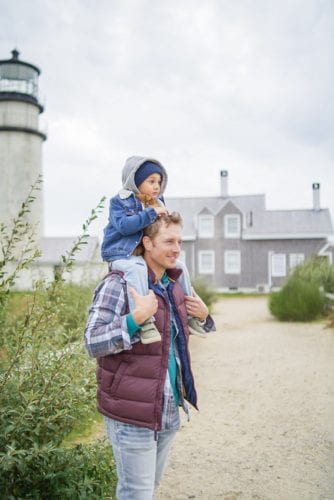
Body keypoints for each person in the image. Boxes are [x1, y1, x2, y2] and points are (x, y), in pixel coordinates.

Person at [85, 213, 215, 500]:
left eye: (179, 241)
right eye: (169, 241)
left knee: (148, 490)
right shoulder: (118, 284)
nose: (177, 248)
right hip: (131, 412)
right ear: (147, 243)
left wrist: (205, 317)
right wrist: (135, 319)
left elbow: (180, 338)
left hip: (167, 407)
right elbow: (92, 340)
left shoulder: (175, 284)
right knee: (137, 494)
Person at [101, 155, 206, 344]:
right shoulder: (120, 201)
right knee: (136, 269)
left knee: (180, 266)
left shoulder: (157, 202)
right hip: (121, 252)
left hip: (142, 254)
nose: (157, 186)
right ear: (135, 182)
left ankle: (191, 310)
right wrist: (151, 213)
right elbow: (124, 226)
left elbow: (161, 230)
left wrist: (202, 313)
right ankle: (145, 320)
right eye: (151, 181)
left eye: (159, 182)